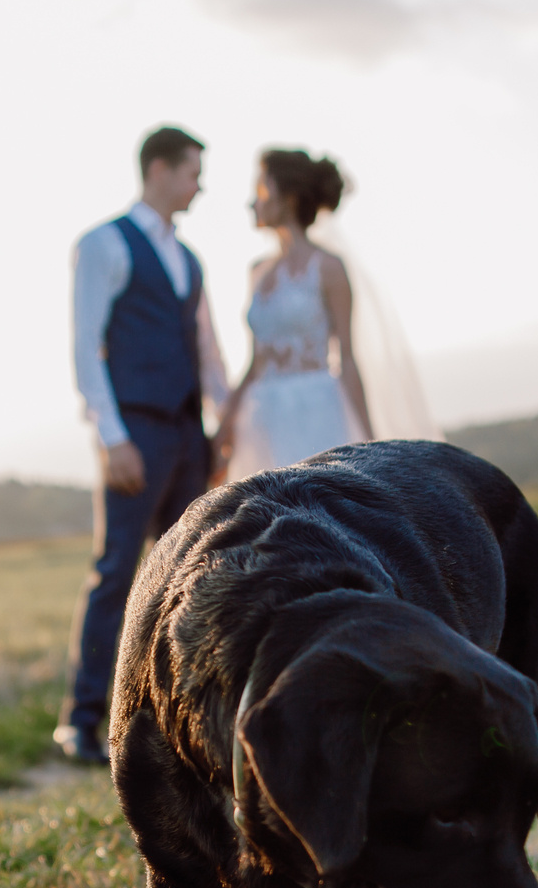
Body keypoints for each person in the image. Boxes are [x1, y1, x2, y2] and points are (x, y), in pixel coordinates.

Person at [56, 125, 231, 767]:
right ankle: (80, 720)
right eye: (193, 172)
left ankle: (168, 717)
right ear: (159, 169)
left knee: (187, 574)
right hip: (135, 431)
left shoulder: (191, 260)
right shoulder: (104, 244)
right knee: (116, 572)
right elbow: (86, 346)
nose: (200, 186)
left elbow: (207, 351)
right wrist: (112, 437)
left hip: (189, 434)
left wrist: (223, 421)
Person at [216, 149, 372, 483]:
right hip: (260, 418)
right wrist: (227, 420)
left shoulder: (328, 267)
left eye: (259, 192)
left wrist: (371, 442)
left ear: (287, 199)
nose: (251, 203)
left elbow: (347, 356)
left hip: (315, 411)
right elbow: (255, 360)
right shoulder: (256, 271)